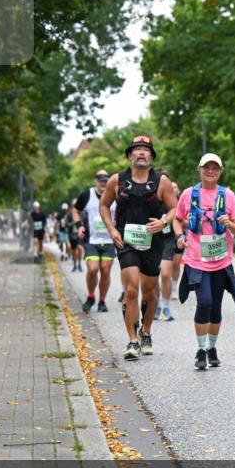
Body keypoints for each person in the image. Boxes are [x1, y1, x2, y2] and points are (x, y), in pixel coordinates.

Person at [99, 135, 178, 360]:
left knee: (150, 292)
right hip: (127, 241)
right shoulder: (117, 180)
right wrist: (112, 230)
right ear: (129, 155)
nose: (142, 153)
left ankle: (146, 332)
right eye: (137, 149)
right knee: (132, 288)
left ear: (151, 157)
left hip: (153, 242)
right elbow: (104, 205)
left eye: (146, 150)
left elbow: (174, 209)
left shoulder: (160, 181)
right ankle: (132, 340)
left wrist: (163, 222)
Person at [175, 153, 235, 369]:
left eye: (215, 168)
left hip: (221, 260)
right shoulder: (188, 194)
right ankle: (200, 350)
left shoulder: (228, 196)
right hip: (196, 259)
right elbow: (177, 220)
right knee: (204, 302)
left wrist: (229, 224)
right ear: (200, 169)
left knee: (215, 307)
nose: (211, 171)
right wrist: (179, 237)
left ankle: (212, 347)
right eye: (207, 167)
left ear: (220, 172)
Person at [72, 170, 117, 313]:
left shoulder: (115, 195)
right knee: (93, 269)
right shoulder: (87, 195)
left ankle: (102, 301)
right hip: (91, 239)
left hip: (109, 240)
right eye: (100, 180)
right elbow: (75, 211)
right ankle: (91, 295)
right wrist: (79, 226)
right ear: (95, 181)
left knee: (105, 270)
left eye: (105, 180)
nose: (103, 183)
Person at [156, 178, 183, 321]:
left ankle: (165, 306)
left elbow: (180, 219)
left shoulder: (175, 204)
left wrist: (180, 235)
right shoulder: (152, 200)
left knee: (166, 274)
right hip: (152, 241)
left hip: (168, 240)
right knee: (152, 276)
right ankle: (155, 306)